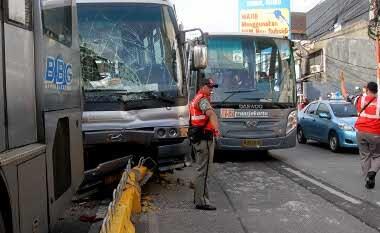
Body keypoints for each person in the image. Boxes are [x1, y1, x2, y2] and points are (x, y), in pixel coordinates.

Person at [340, 72, 380, 189]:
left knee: (365, 156)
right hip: (376, 133)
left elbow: (345, 95)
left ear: (367, 90)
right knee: (377, 155)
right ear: (376, 91)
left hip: (361, 132)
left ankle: (368, 178)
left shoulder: (359, 100)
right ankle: (372, 172)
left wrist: (342, 81)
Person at [188, 78, 220, 210]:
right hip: (204, 139)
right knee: (204, 171)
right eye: (209, 87)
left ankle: (197, 196)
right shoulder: (202, 100)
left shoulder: (196, 98)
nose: (211, 90)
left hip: (198, 138)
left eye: (212, 87)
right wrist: (217, 131)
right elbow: (211, 114)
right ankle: (202, 202)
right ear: (202, 87)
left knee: (200, 169)